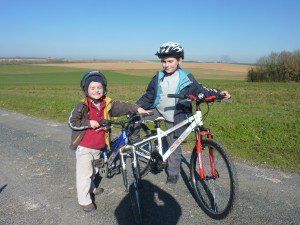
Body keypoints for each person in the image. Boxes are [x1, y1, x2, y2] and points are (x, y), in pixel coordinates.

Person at [135, 42, 231, 184]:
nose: (166, 65)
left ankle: (173, 173)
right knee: (135, 120)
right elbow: (149, 95)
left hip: (177, 115)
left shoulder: (186, 77)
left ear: (179, 60)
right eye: (163, 61)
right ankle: (136, 145)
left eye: (170, 61)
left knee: (174, 145)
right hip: (157, 109)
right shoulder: (158, 77)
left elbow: (201, 90)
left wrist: (218, 94)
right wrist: (136, 107)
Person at [68, 70, 149, 212]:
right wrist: (88, 122)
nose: (96, 90)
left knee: (94, 170)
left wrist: (137, 109)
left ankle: (92, 187)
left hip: (99, 147)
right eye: (92, 88)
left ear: (104, 89)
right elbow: (72, 122)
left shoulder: (107, 104)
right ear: (86, 90)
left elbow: (122, 106)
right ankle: (84, 200)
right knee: (84, 174)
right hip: (85, 147)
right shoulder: (82, 106)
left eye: (99, 87)